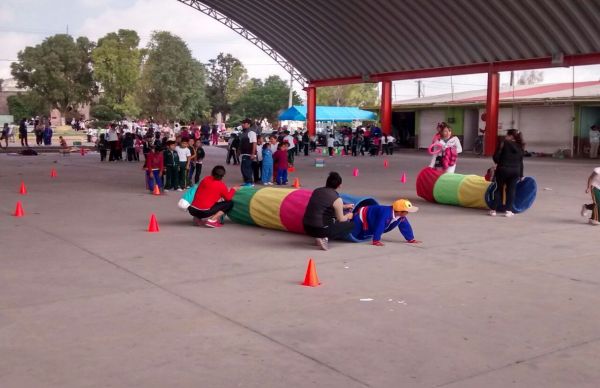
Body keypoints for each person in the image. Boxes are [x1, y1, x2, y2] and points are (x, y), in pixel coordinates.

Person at [303, 172, 355, 250]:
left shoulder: (317, 191)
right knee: (351, 225)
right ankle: (324, 238)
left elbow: (324, 205)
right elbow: (341, 219)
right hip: (320, 229)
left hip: (306, 228)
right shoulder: (337, 198)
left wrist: (344, 206)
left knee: (328, 217)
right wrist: (348, 216)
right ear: (339, 185)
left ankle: (318, 238)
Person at [352, 199, 421, 246]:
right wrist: (376, 240)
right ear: (400, 211)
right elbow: (380, 226)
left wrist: (411, 239)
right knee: (354, 234)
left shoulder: (401, 216)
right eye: (407, 211)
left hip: (370, 218)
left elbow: (405, 226)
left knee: (363, 234)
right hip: (360, 216)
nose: (408, 213)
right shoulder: (386, 214)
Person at [489, 129, 524, 217]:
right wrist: (521, 174)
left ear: (511, 136)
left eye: (507, 135)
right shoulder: (520, 146)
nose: (506, 136)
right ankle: (508, 211)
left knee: (498, 189)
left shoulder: (503, 143)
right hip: (515, 171)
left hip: (503, 169)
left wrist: (499, 163)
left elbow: (495, 157)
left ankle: (493, 210)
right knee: (511, 190)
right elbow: (521, 162)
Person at [239, 118, 257, 186]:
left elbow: (254, 143)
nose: (242, 125)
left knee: (246, 168)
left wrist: (253, 153)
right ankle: (247, 181)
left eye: (244, 123)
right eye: (242, 123)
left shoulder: (251, 133)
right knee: (244, 167)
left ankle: (249, 182)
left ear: (249, 124)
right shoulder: (244, 133)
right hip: (244, 153)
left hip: (249, 153)